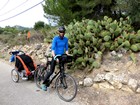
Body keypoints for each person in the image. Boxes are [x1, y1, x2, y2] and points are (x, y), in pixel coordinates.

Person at [41, 26, 69, 91]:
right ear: (58, 32)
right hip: (55, 55)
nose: (62, 33)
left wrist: (67, 55)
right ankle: (44, 83)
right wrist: (55, 57)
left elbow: (66, 49)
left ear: (64, 33)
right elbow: (53, 49)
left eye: (63, 32)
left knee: (62, 70)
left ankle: (62, 82)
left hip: (61, 56)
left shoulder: (66, 39)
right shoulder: (55, 39)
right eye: (61, 32)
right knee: (51, 71)